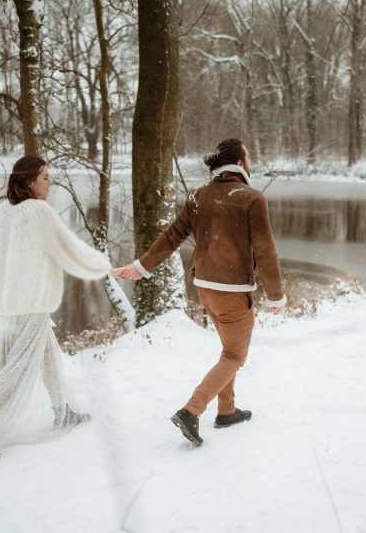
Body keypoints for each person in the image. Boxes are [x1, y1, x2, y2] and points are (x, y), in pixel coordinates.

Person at [111, 138, 286, 446]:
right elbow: (266, 250)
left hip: (204, 288)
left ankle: (227, 410)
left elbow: (173, 235)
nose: (252, 161)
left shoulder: (198, 196)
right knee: (235, 355)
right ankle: (191, 411)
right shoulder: (252, 198)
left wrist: (142, 266)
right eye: (249, 156)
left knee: (227, 351)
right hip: (233, 292)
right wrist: (276, 295)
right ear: (240, 162)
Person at [0, 156, 113, 460]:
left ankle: (63, 411)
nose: (50, 183)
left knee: (47, 355)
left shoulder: (5, 211)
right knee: (19, 366)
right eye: (45, 178)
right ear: (29, 183)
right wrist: (104, 266)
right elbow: (68, 249)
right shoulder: (39, 212)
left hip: (8, 299)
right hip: (31, 301)